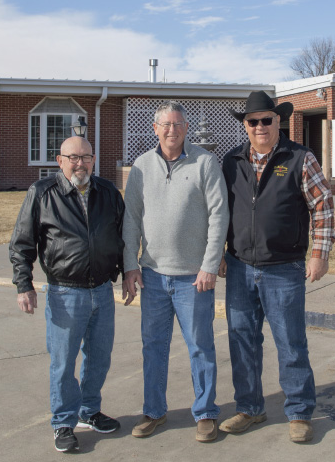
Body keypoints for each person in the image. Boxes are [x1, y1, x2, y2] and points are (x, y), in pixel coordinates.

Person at [218, 91, 335, 443]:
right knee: (242, 341)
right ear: (245, 125)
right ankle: (249, 408)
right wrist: (219, 253)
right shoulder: (231, 161)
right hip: (239, 267)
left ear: (278, 121)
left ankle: (299, 412)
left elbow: (323, 205)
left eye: (266, 120)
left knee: (291, 343)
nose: (260, 127)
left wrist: (319, 254)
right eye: (252, 121)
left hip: (284, 269)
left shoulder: (300, 158)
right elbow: (220, 211)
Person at [9, 136, 125, 453]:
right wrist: (24, 284)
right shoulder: (42, 193)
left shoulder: (108, 192)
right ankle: (63, 422)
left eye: (85, 157)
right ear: (60, 161)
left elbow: (122, 236)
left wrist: (126, 272)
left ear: (94, 159)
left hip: (102, 291)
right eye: (72, 157)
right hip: (65, 293)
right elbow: (22, 243)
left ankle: (89, 410)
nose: (79, 163)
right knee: (63, 362)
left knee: (99, 358)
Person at [121, 101, 229, 443]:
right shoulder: (141, 166)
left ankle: (206, 412)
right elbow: (130, 219)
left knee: (200, 347)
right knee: (153, 347)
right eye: (166, 124)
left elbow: (219, 215)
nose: (172, 130)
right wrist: (130, 265)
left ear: (186, 128)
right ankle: (154, 411)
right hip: (152, 276)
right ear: (155, 128)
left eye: (178, 124)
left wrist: (209, 264)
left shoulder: (205, 163)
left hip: (193, 279)